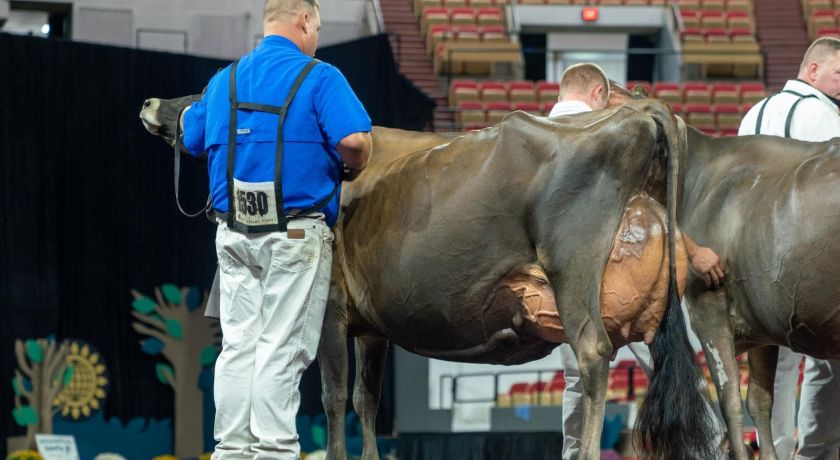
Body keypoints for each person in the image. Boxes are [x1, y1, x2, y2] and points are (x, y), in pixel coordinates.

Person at [178, 0, 372, 457]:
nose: (316, 38)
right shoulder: (320, 76)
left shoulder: (224, 79)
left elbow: (190, 136)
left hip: (233, 235)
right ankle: (275, 452)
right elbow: (354, 141)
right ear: (304, 20)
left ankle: (230, 451)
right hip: (294, 236)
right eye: (317, 27)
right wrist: (354, 163)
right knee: (280, 347)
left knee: (239, 348)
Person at [550, 64, 725, 459]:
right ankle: (709, 450)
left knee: (581, 378)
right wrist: (693, 250)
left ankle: (576, 456)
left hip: (576, 284)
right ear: (600, 95)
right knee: (666, 361)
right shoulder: (605, 135)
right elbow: (640, 209)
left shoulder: (543, 136)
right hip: (623, 280)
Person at [739, 37, 840, 460]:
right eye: (839, 74)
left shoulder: (753, 113)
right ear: (812, 71)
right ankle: (815, 452)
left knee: (769, 373)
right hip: (808, 266)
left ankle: (774, 453)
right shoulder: (825, 116)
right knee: (827, 363)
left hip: (748, 260)